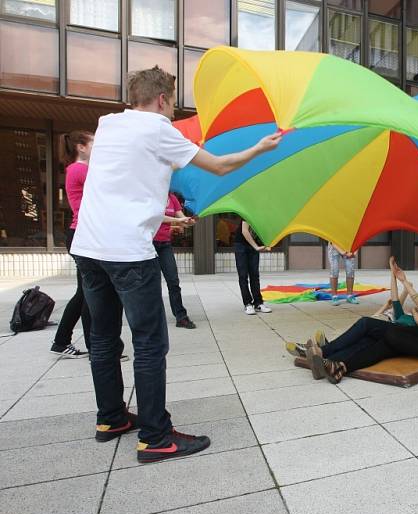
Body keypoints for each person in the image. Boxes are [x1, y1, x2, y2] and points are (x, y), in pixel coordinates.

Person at [71, 66, 282, 463]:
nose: (172, 112)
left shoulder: (109, 125)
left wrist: (165, 218)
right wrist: (260, 148)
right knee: (149, 343)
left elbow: (126, 189)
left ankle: (111, 418)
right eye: (172, 102)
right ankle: (155, 437)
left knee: (102, 339)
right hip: (129, 253)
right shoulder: (157, 129)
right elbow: (219, 166)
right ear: (163, 99)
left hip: (89, 248)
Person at [304, 263, 418, 383]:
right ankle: (338, 365)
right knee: (378, 346)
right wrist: (402, 280)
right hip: (414, 338)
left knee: (368, 324)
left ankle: (325, 350)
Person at [285, 256, 418, 359]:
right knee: (359, 341)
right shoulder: (403, 317)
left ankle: (321, 351)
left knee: (362, 333)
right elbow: (396, 297)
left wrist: (415, 308)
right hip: (384, 332)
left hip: (389, 336)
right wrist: (394, 274)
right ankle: (319, 353)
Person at [50, 131, 93, 358]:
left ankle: (62, 341)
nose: (97, 147)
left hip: (81, 234)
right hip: (82, 234)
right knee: (88, 294)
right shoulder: (81, 170)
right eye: (93, 143)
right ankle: (94, 347)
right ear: (81, 147)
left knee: (85, 293)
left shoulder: (78, 170)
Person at [153, 193, 196, 329]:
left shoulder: (172, 198)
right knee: (152, 285)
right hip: (149, 244)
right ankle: (153, 319)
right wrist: (178, 221)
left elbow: (181, 217)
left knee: (173, 281)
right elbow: (157, 217)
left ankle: (181, 317)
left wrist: (188, 221)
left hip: (165, 244)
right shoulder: (153, 195)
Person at [234, 218, 271, 316]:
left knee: (255, 275)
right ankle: (248, 304)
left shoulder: (263, 216)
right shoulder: (248, 212)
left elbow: (265, 231)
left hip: (253, 245)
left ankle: (258, 303)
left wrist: (267, 244)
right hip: (241, 245)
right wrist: (256, 247)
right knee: (243, 275)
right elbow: (245, 231)